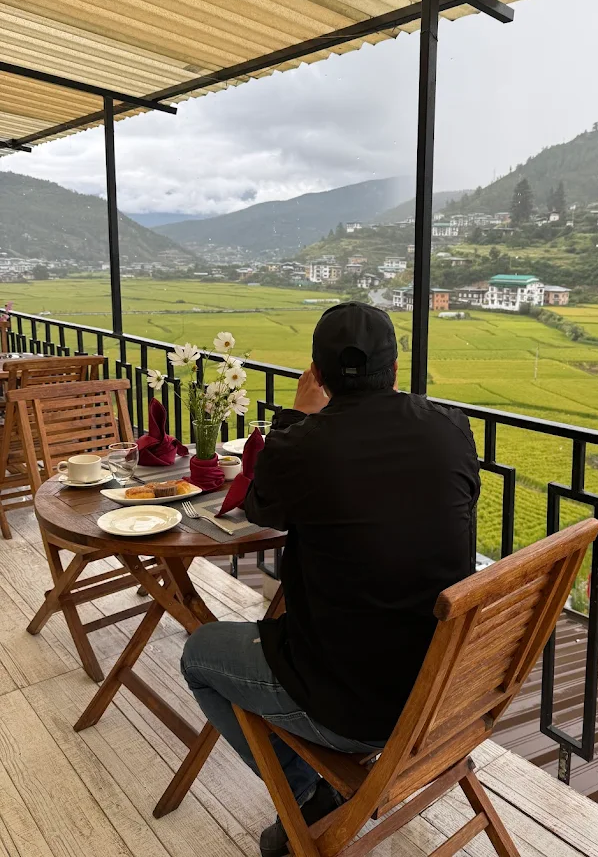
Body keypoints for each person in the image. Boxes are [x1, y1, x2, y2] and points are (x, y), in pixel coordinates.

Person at [182, 302, 480, 857]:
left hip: (357, 708)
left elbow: (262, 507)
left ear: (316, 375)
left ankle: (304, 798)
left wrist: (297, 416)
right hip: (450, 693)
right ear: (395, 370)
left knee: (199, 654)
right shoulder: (451, 429)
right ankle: (317, 790)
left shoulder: (307, 444)